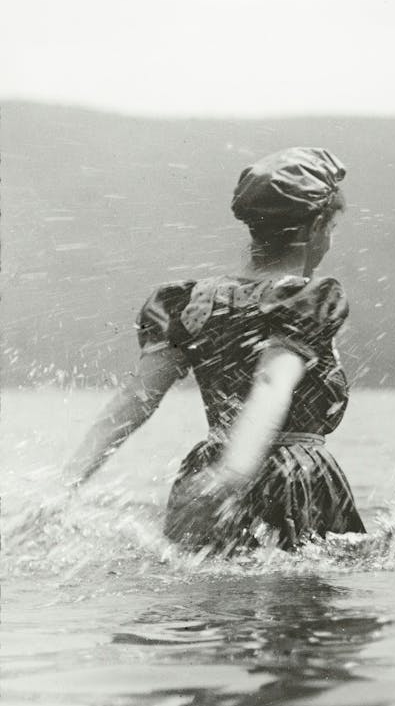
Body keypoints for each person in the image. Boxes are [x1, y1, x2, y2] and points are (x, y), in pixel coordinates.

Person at [62, 147, 366, 549]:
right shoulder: (309, 298)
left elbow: (135, 400)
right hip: (287, 475)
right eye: (330, 230)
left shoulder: (190, 303)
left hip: (207, 466)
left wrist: (65, 485)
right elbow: (273, 381)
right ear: (316, 228)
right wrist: (234, 472)